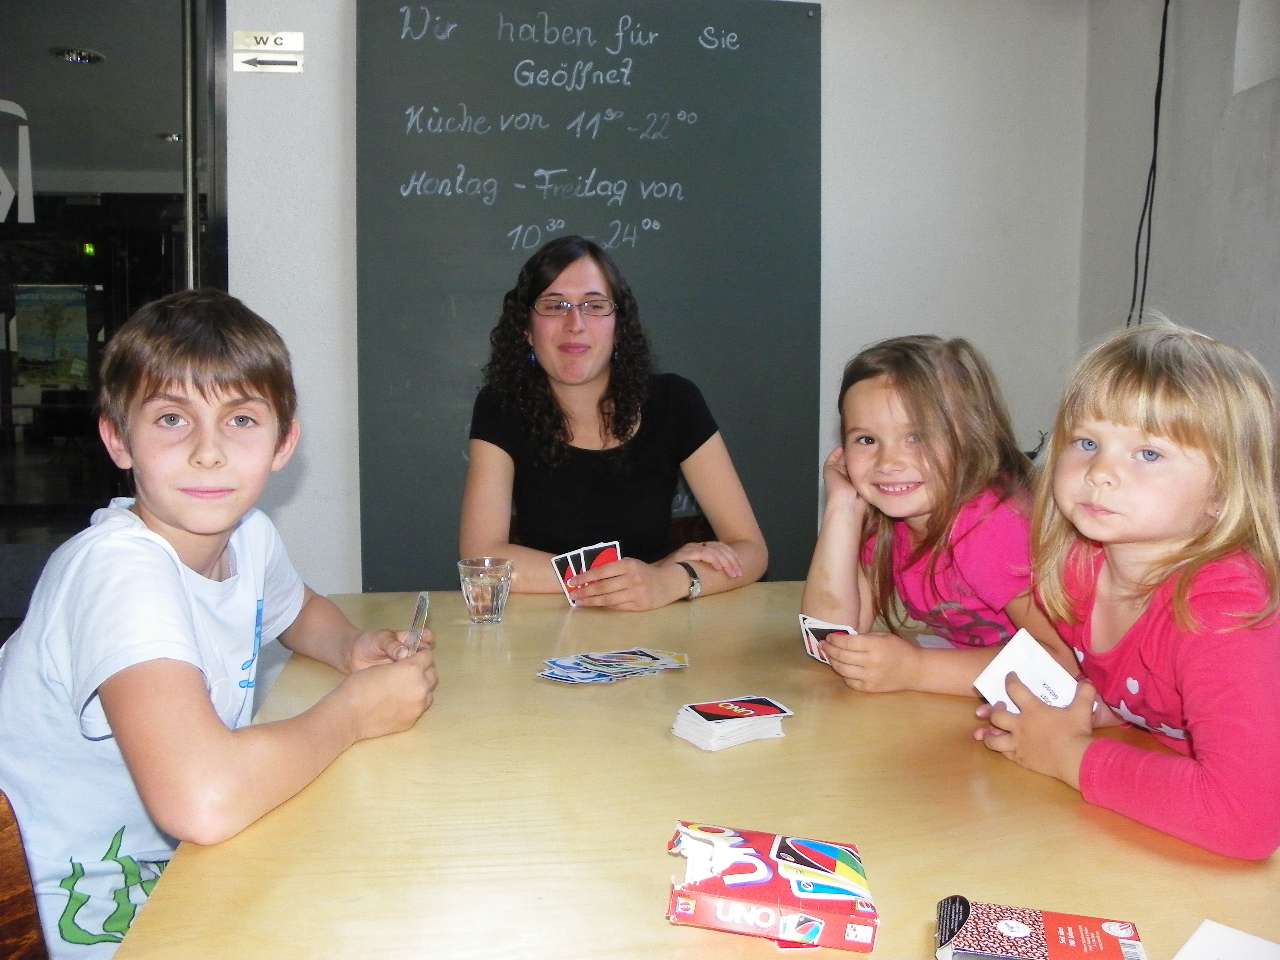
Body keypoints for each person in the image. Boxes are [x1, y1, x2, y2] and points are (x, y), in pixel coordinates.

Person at [0, 290, 439, 958]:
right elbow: (203, 799)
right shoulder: (117, 572)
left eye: (240, 420)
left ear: (282, 442)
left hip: (179, 869)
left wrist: (351, 645)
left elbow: (297, 611)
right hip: (67, 910)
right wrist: (353, 713)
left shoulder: (247, 535)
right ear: (118, 439)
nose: (208, 451)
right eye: (172, 418)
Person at [975, 322, 1280, 860]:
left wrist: (1067, 753)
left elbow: (1247, 820)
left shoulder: (1224, 609)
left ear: (1223, 491)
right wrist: (1086, 711)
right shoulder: (1078, 569)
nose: (1100, 471)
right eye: (1087, 442)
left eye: (1149, 454)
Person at [460, 235, 767, 611]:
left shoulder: (675, 401)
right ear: (527, 329)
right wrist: (635, 577)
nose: (575, 324)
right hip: (548, 626)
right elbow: (483, 560)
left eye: (594, 305)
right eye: (554, 306)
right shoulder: (500, 406)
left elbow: (751, 551)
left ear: (618, 325)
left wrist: (668, 580)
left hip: (658, 624)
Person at [801, 335, 1066, 695]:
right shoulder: (887, 520)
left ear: (971, 440)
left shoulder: (992, 526)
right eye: (867, 440)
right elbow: (829, 639)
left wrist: (917, 669)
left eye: (917, 437)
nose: (888, 463)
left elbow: (1061, 663)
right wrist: (843, 505)